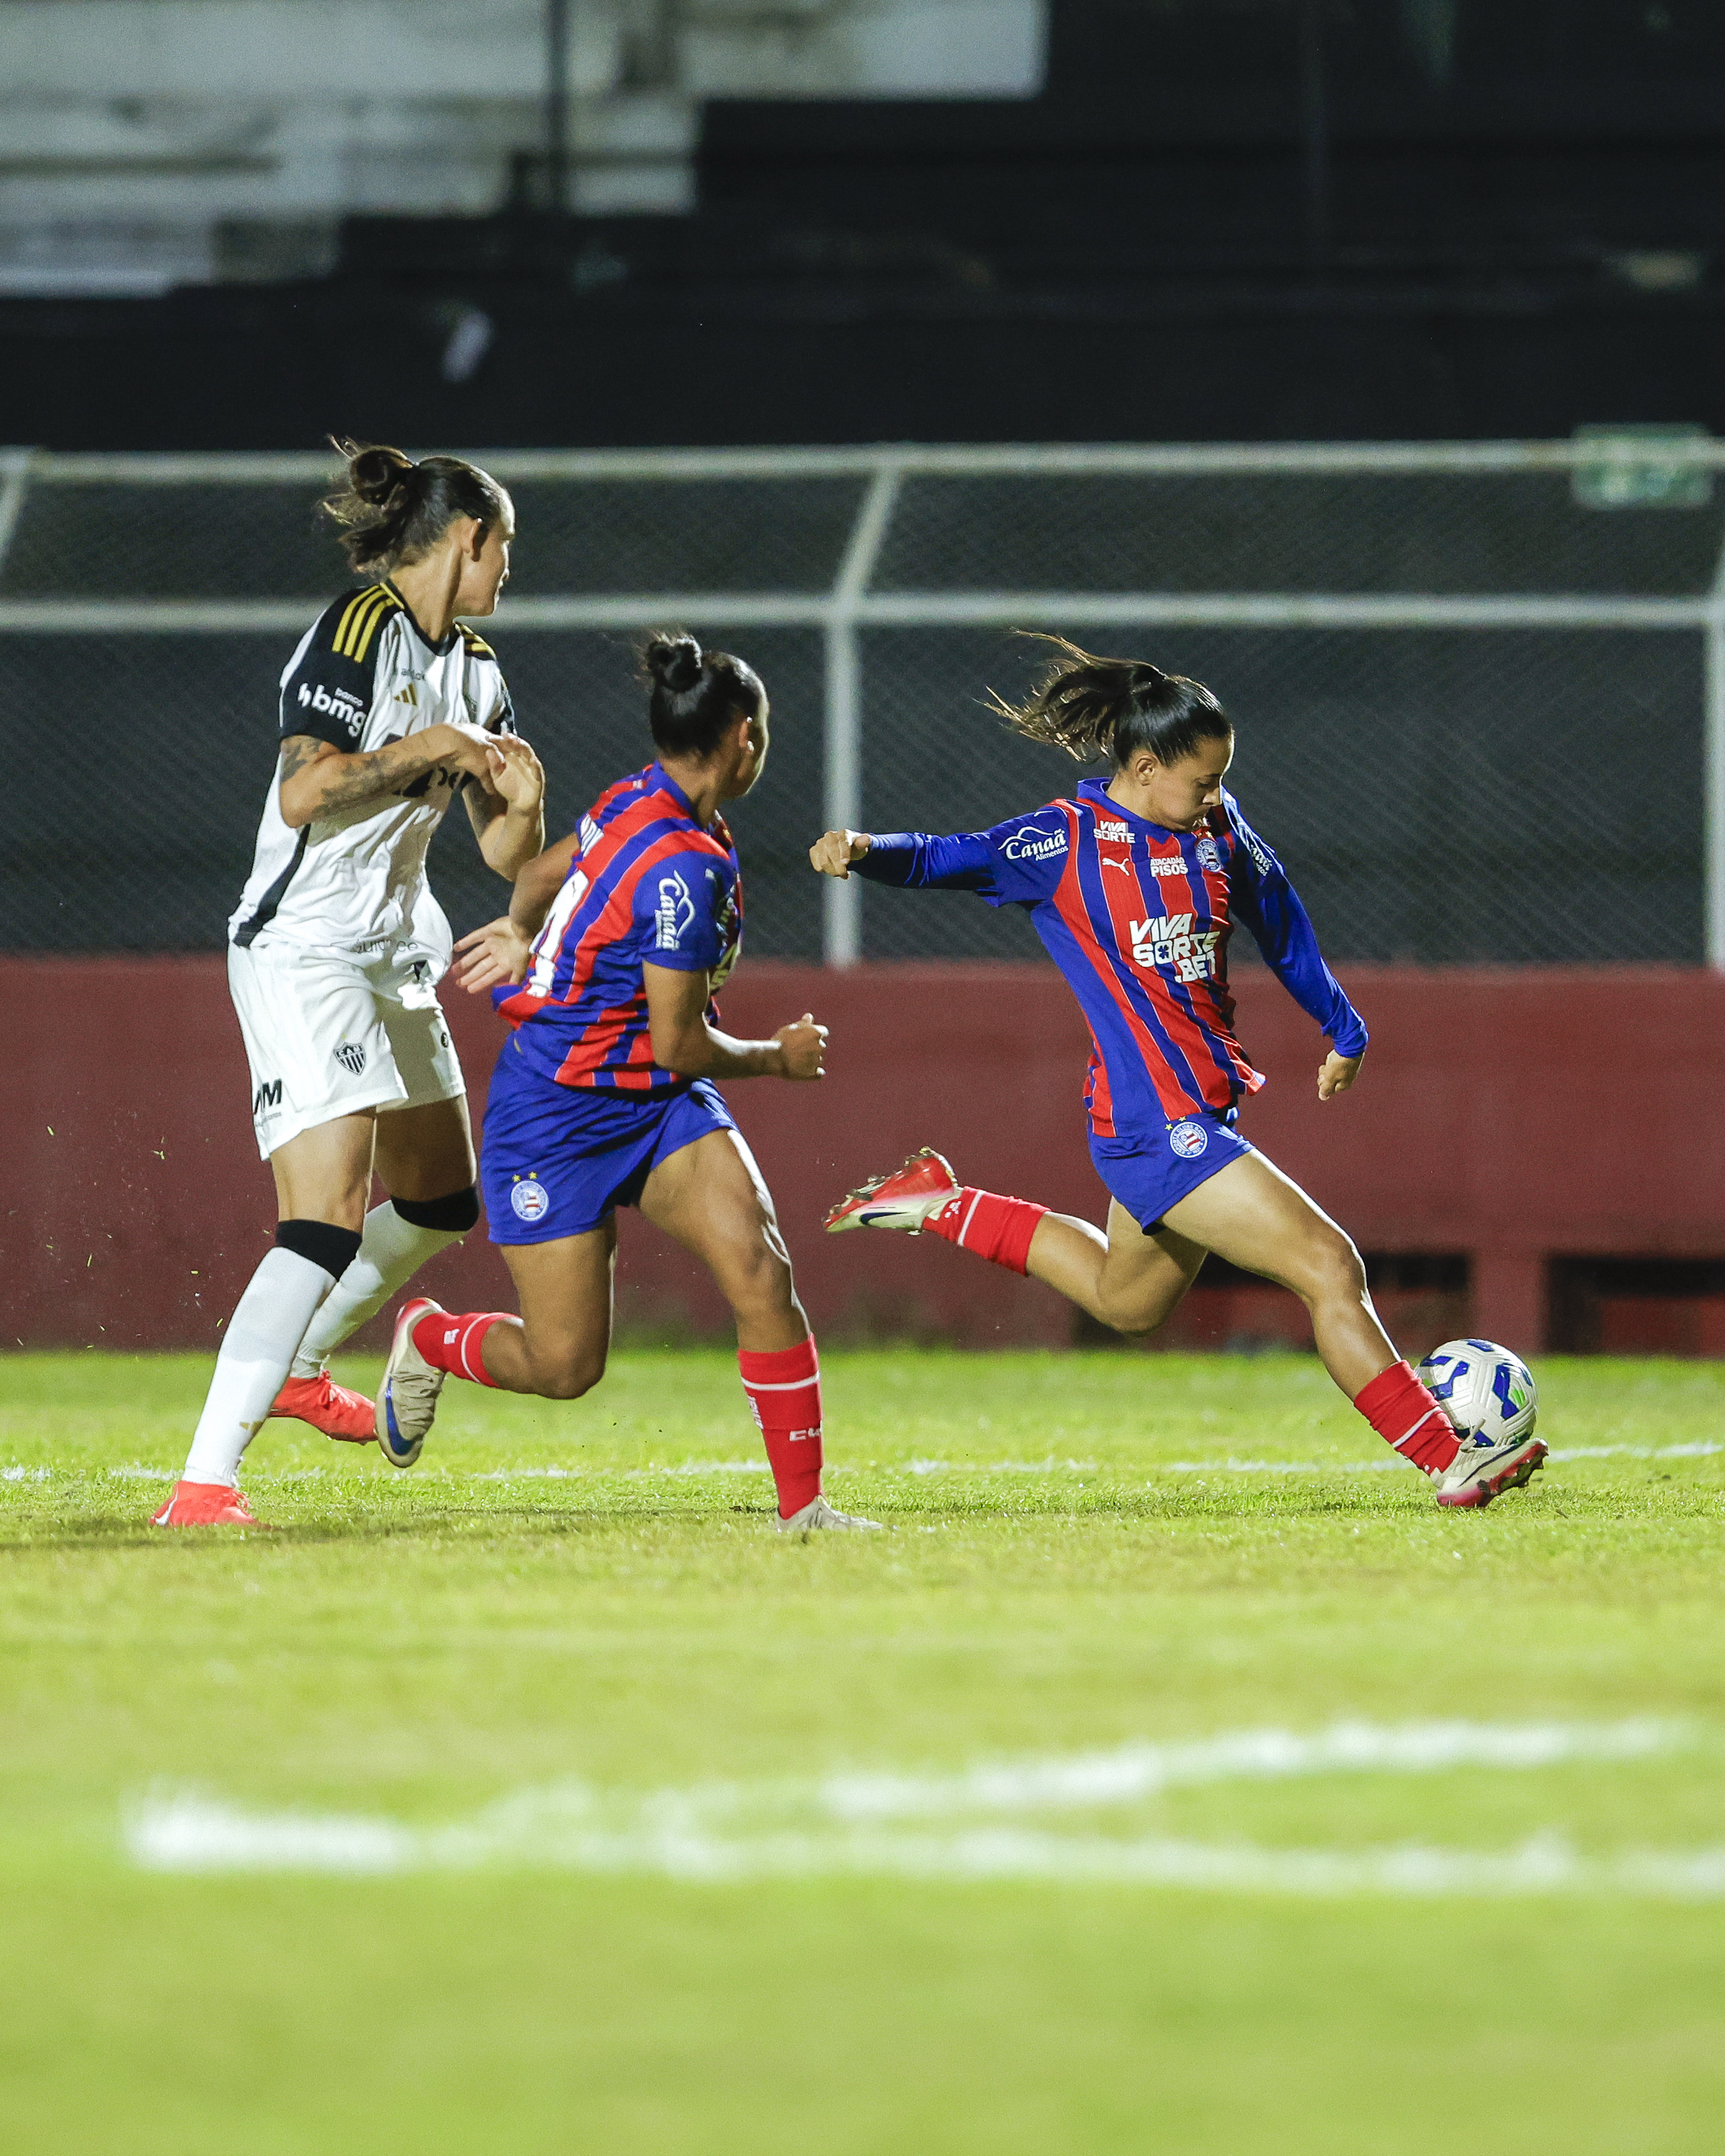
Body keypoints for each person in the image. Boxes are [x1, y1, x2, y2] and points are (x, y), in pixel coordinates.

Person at [810, 638, 1547, 1511]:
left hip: (1194, 1114)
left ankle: (939, 1201)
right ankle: (1445, 1457)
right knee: (1326, 1266)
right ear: (1146, 765)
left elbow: (1277, 914)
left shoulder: (1216, 828)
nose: (1213, 799)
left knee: (1125, 1305)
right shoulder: (1064, 840)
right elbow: (949, 856)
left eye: (1221, 781)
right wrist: (861, 847)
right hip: (1152, 1121)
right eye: (1200, 782)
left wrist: (1341, 1025)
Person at [375, 631, 880, 1537]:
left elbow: (543, 869)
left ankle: (803, 1513)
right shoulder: (690, 864)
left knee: (760, 1273)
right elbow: (680, 1043)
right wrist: (778, 1057)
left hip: (650, 1106)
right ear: (742, 740)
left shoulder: (638, 798)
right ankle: (432, 1337)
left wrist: (523, 925)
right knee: (564, 1367)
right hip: (557, 1117)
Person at [152, 441, 546, 1528]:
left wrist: (520, 801)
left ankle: (300, 1361)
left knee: (439, 1200)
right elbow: (305, 793)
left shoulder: (478, 667)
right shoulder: (355, 631)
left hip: (396, 946)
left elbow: (509, 857)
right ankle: (202, 1485)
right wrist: (433, 747)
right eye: (505, 547)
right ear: (469, 537)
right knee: (321, 1219)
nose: (508, 569)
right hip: (306, 950)